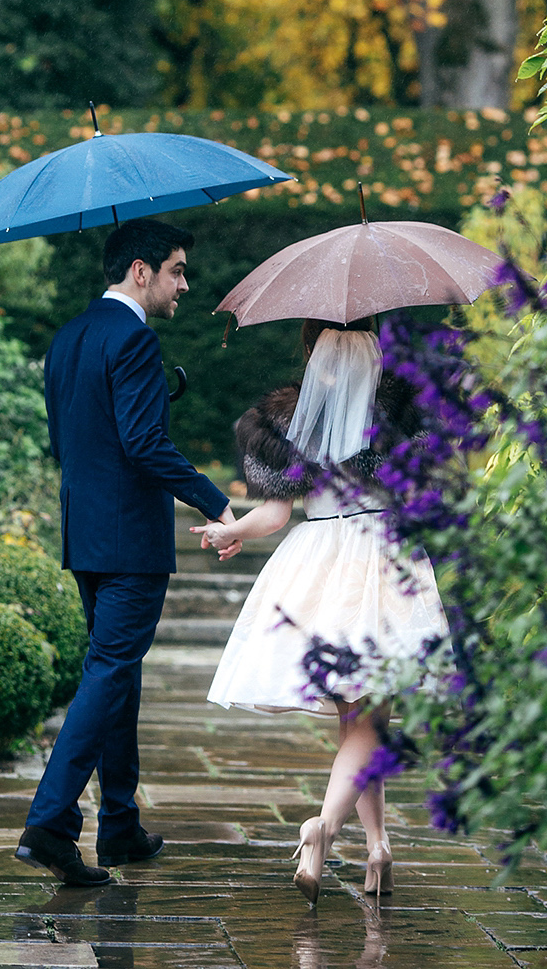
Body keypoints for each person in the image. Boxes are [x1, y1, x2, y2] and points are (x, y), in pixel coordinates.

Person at [195, 319, 447, 906]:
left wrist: (230, 530)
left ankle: (379, 846)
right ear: (376, 341)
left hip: (317, 559)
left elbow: (275, 515)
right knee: (369, 717)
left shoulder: (287, 418)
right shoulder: (405, 409)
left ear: (311, 348)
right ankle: (324, 830)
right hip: (383, 557)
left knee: (357, 717)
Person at [16, 219, 236, 887]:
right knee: (110, 671)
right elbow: (143, 444)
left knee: (120, 672)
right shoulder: (136, 339)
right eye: (177, 269)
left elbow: (69, 442)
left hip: (84, 534)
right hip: (130, 542)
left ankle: (119, 823)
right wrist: (216, 501)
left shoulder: (69, 336)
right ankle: (50, 824)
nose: (185, 284)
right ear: (140, 271)